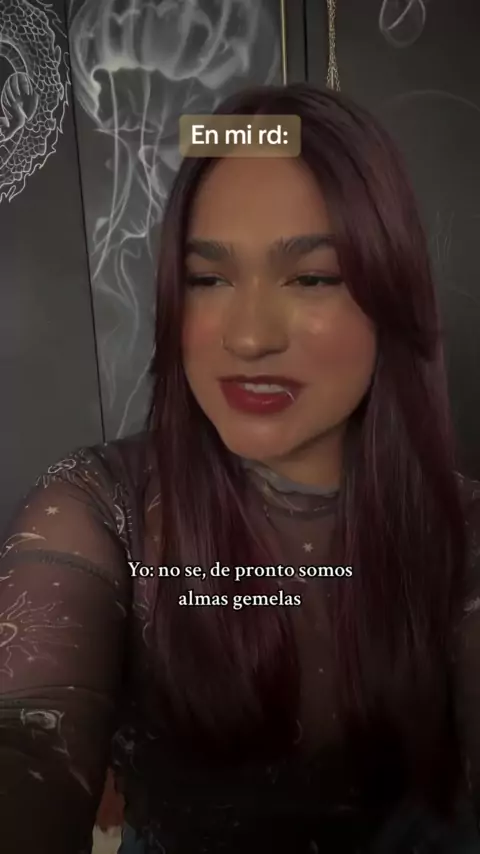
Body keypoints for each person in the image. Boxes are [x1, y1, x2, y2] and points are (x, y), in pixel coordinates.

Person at [0, 82, 479, 854]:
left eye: (312, 277)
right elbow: (28, 738)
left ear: (390, 295)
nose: (250, 337)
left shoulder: (464, 533)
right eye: (209, 279)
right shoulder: (97, 512)